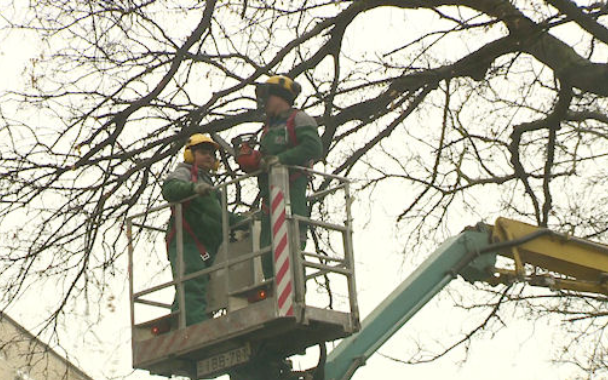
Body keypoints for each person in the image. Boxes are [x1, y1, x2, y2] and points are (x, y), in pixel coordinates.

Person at [162, 133, 242, 326]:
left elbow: (220, 215)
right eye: (204, 153)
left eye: (212, 155)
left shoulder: (210, 185)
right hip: (187, 242)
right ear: (191, 155)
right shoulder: (185, 173)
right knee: (192, 284)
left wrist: (241, 221)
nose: (209, 157)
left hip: (205, 248)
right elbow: (170, 189)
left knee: (196, 287)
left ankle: (177, 325)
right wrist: (193, 189)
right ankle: (193, 327)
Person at [254, 75, 323, 279]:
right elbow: (265, 159)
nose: (263, 103)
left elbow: (313, 147)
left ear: (279, 97)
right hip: (269, 198)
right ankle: (273, 293)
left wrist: (281, 159)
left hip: (292, 195)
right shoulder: (267, 129)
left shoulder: (299, 119)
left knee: (291, 248)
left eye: (266, 97)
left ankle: (294, 295)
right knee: (267, 250)